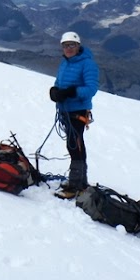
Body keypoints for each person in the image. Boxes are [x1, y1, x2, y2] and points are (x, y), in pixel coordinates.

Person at [49, 31, 99, 197]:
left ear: (78, 46)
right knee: (75, 144)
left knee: (74, 145)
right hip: (66, 111)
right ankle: (80, 182)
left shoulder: (87, 64)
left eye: (72, 45)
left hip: (78, 111)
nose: (68, 48)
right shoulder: (65, 63)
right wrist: (55, 91)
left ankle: (75, 186)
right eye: (65, 45)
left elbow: (91, 89)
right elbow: (59, 82)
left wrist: (72, 92)